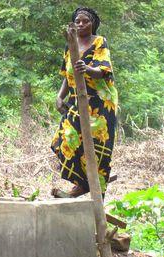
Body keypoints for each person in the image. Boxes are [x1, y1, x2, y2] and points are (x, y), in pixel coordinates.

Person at [50, 7, 119, 199]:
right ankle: (82, 184)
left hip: (100, 103)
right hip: (76, 100)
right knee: (64, 139)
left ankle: (93, 191)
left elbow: (104, 70)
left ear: (93, 24)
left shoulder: (99, 42)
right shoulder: (70, 44)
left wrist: (87, 68)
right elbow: (67, 75)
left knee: (97, 147)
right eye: (77, 21)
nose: (81, 24)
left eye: (85, 21)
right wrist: (59, 96)